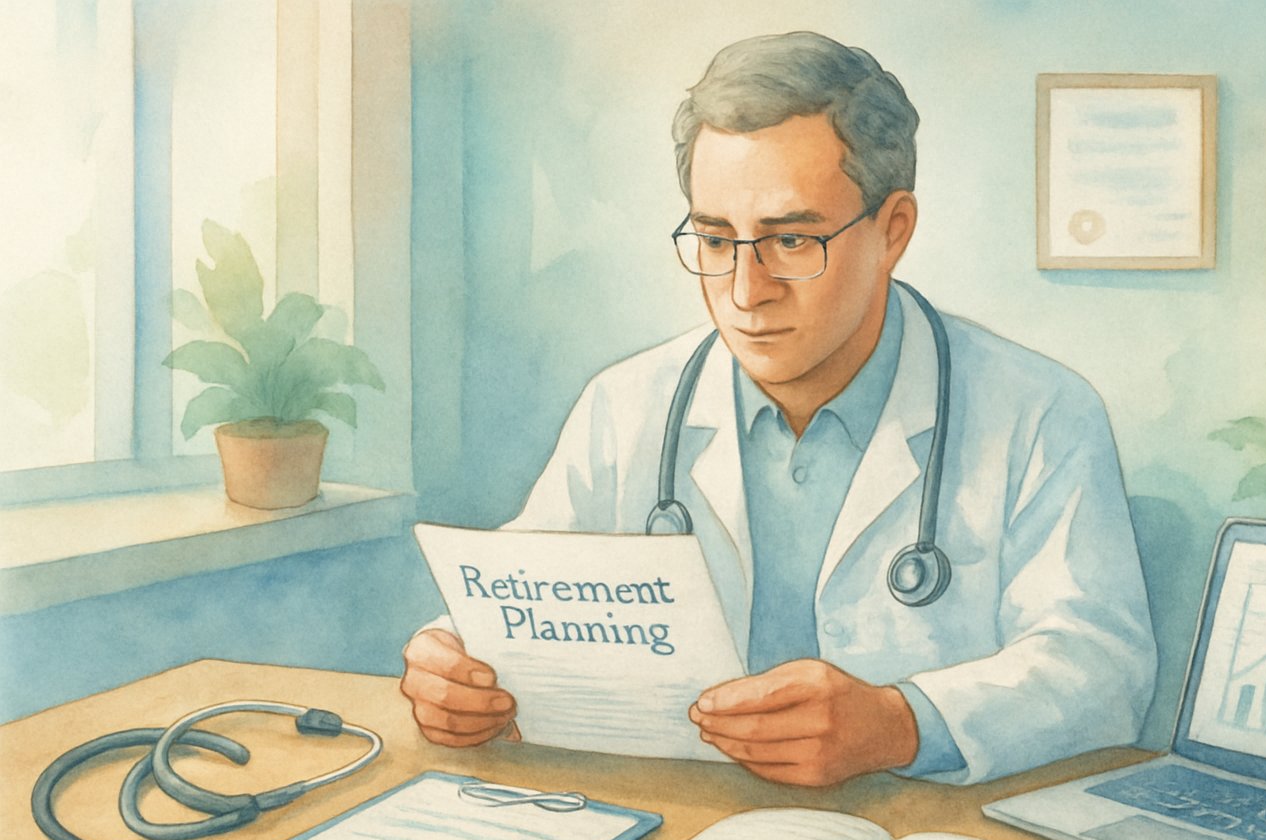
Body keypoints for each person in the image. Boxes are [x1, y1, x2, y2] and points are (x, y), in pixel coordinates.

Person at [400, 31, 1156, 787]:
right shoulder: (628, 407)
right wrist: (458, 666)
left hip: (927, 833)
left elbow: (1101, 668)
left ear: (892, 231)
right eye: (716, 238)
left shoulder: (1039, 412)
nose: (744, 291)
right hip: (681, 820)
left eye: (791, 239)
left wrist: (901, 723)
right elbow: (518, 597)